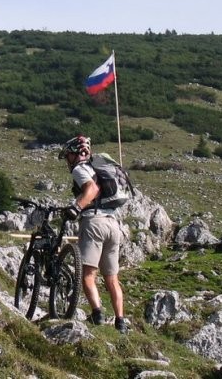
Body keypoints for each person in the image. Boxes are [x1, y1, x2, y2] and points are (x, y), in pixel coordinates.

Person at [59, 135, 128, 334]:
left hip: (94, 223)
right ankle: (120, 322)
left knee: (88, 274)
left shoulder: (81, 169)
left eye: (68, 156)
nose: (67, 160)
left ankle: (97, 314)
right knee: (112, 278)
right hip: (113, 224)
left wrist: (76, 208)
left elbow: (91, 189)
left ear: (74, 154)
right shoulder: (99, 167)